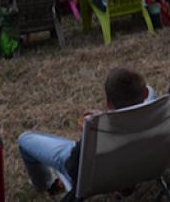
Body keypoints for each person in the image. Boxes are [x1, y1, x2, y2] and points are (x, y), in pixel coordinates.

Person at [18, 68, 150, 195]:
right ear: (145, 94)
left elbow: (73, 166)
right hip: (141, 167)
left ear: (109, 103)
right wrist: (105, 117)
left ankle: (48, 184)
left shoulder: (98, 130)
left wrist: (90, 130)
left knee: (25, 139)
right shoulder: (157, 116)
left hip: (96, 177)